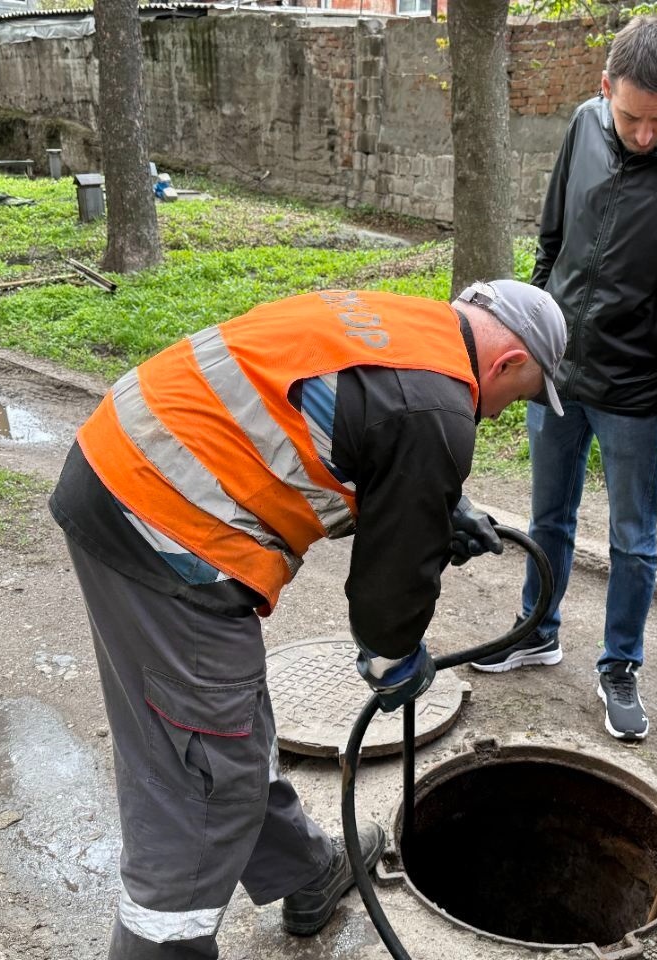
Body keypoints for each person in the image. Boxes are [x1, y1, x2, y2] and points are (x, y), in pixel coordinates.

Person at [49, 281, 567, 958]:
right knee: (205, 776)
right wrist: (395, 661)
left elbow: (357, 424)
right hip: (166, 524)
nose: (498, 414)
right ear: (509, 361)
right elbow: (388, 595)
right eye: (518, 396)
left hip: (125, 464)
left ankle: (307, 872)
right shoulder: (437, 410)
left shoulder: (410, 321)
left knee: (224, 726)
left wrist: (441, 503)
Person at [472, 14, 657, 742]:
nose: (645, 134)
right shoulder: (584, 126)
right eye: (631, 117)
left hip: (639, 386)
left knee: (633, 539)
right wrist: (533, 337)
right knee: (548, 518)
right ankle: (537, 631)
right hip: (558, 373)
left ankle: (620, 665)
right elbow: (553, 241)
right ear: (606, 89)